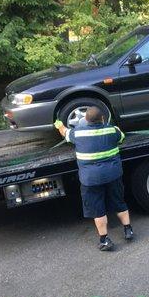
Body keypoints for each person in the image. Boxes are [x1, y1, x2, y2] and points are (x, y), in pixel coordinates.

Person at [54, 107, 134, 251]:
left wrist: (59, 124)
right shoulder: (112, 130)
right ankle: (128, 230)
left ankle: (104, 240)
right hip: (113, 175)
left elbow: (64, 132)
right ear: (102, 119)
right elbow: (121, 137)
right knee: (119, 201)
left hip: (91, 179)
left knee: (98, 209)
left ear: (85, 120)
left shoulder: (77, 133)